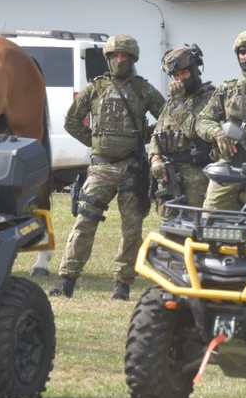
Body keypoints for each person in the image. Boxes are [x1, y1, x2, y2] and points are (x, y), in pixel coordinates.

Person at [50, 35, 165, 301]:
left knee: (132, 230)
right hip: (100, 169)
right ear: (108, 58)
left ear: (132, 59)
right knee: (84, 224)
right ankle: (67, 280)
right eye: (115, 55)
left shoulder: (143, 89)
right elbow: (71, 121)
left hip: (132, 170)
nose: (119, 60)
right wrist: (94, 140)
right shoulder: (95, 88)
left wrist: (144, 137)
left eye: (124, 56)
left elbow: (167, 117)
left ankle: (122, 285)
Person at [195, 30, 246, 211]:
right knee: (210, 219)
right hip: (229, 164)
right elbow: (203, 120)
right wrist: (218, 132)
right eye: (242, 52)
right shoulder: (227, 89)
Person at [148, 44, 216, 218]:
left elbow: (192, 129)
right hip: (170, 174)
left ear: (195, 71)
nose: (179, 80)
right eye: (176, 76)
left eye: (184, 73)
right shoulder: (172, 103)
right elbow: (157, 133)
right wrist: (155, 158)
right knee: (169, 226)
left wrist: (179, 102)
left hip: (197, 176)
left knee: (196, 227)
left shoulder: (209, 97)